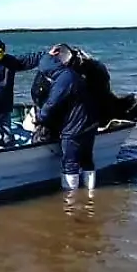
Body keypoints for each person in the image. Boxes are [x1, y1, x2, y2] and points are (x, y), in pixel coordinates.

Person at [36, 44, 99, 191]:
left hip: (74, 128)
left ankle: (70, 200)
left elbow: (52, 104)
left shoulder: (63, 79)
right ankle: (91, 195)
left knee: (70, 163)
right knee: (87, 159)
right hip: (90, 124)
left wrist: (40, 117)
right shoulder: (74, 74)